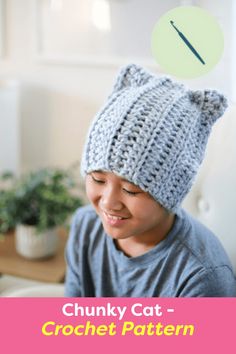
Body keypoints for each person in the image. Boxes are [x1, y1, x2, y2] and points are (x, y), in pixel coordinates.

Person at [65, 64, 236, 297]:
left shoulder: (204, 277)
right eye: (98, 179)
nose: (108, 202)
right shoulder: (85, 227)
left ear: (170, 193)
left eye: (130, 190)